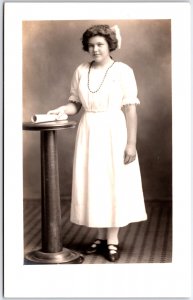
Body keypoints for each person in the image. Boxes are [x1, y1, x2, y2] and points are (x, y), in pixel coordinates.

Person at [48, 24, 147, 262]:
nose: (95, 49)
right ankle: (101, 237)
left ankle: (112, 240)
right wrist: (62, 109)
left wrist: (131, 143)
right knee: (95, 182)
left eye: (100, 44)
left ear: (110, 45)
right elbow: (75, 105)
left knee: (113, 181)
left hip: (114, 130)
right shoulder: (81, 70)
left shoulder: (123, 71)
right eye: (91, 45)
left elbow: (130, 109)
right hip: (89, 130)